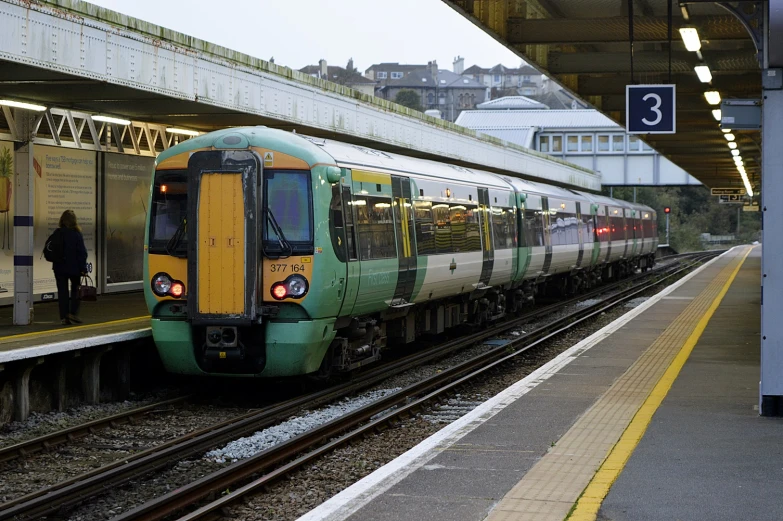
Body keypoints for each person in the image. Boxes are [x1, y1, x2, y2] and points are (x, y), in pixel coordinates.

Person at [53, 210, 88, 325]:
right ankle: (73, 313)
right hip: (74, 268)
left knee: (62, 292)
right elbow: (82, 253)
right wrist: (83, 268)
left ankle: (64, 317)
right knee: (75, 291)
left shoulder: (57, 233)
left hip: (59, 268)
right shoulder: (76, 234)